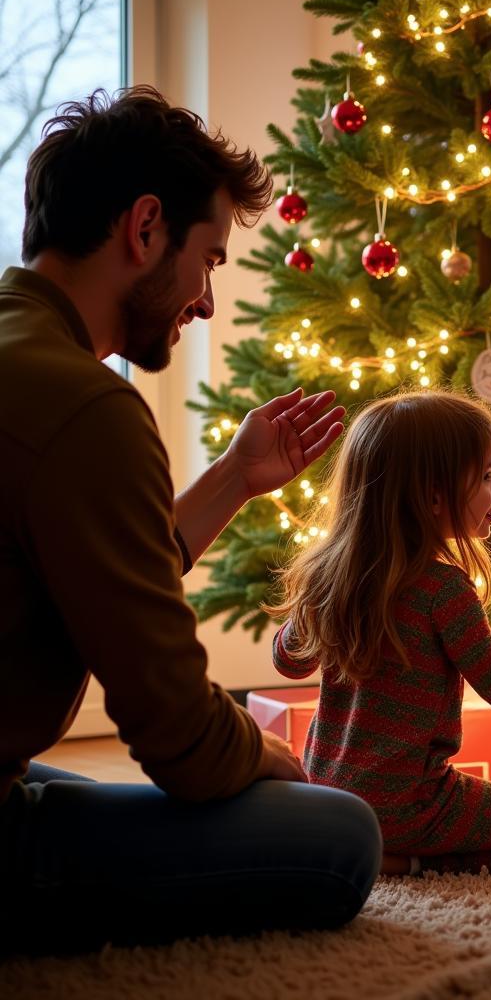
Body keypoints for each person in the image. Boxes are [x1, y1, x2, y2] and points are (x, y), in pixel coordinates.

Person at [0, 86, 382, 951]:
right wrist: (270, 760)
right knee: (339, 836)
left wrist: (234, 479)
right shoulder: (83, 405)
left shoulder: (23, 356)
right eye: (209, 258)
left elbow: (89, 579)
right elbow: (178, 740)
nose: (206, 301)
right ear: (145, 229)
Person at [267, 389, 491, 875]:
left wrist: (318, 597)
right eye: (485, 475)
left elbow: (288, 662)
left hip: (328, 790)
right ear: (432, 494)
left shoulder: (331, 574)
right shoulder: (442, 588)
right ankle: (407, 862)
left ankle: (370, 845)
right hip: (410, 804)